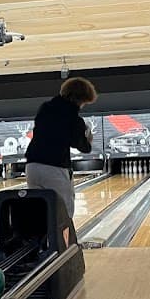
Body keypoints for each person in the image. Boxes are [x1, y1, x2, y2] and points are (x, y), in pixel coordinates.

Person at [25, 76, 97, 220]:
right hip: (55, 169)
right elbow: (83, 147)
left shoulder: (44, 108)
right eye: (84, 103)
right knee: (63, 211)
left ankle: (41, 242)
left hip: (32, 167)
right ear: (80, 100)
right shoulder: (75, 119)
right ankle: (65, 242)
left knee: (39, 211)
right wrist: (88, 138)